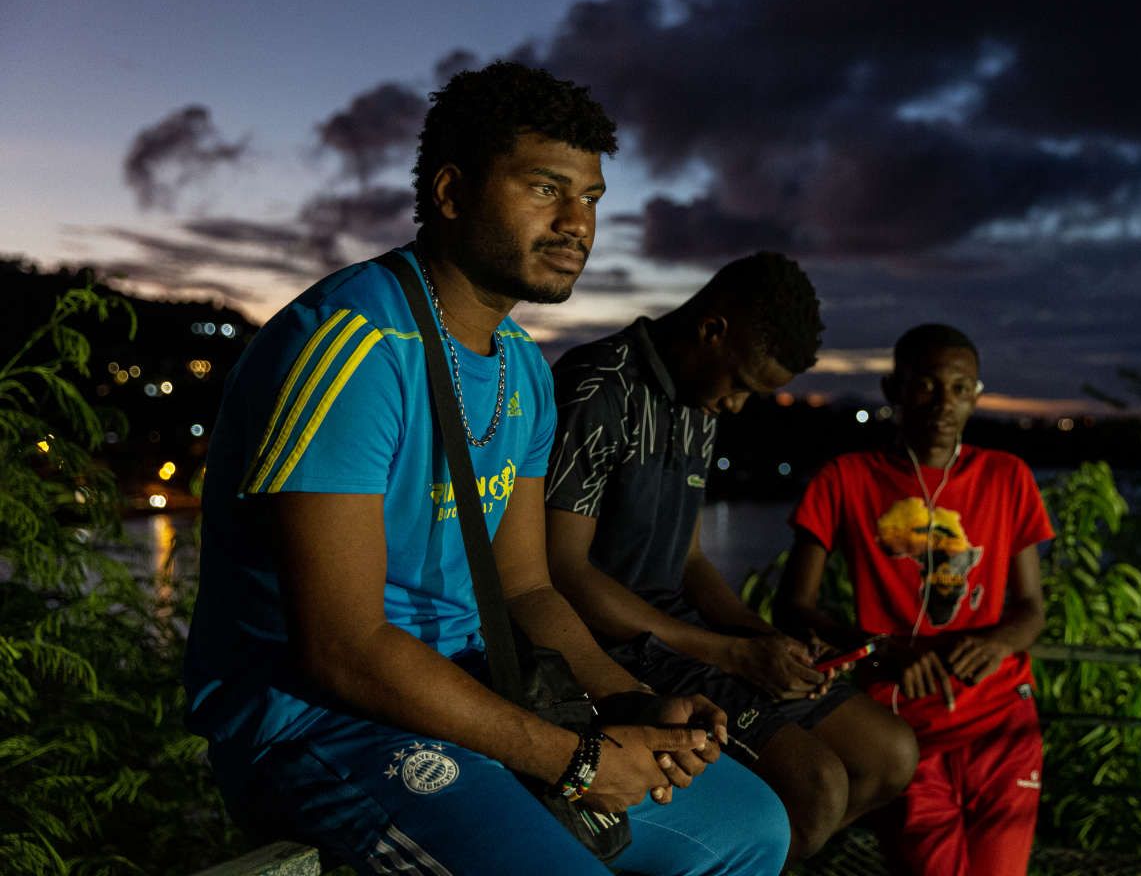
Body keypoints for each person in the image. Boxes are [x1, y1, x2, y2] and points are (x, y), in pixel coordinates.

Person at [183, 61, 789, 876]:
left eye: (593, 199)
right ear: (452, 192)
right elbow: (344, 646)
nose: (579, 222)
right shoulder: (353, 346)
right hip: (325, 727)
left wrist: (625, 700)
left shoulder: (522, 368)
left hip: (481, 690)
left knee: (752, 824)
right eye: (545, 188)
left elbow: (527, 590)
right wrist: (576, 760)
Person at [544, 254, 919, 863]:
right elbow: (563, 570)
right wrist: (732, 653)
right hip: (611, 640)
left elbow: (689, 561)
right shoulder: (597, 386)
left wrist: (764, 639)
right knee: (817, 785)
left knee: (890, 754)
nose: (739, 406)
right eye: (742, 384)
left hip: (685, 634)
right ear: (712, 330)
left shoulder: (700, 401)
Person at [780, 323, 1051, 876]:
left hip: (1003, 727)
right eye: (926, 385)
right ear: (893, 390)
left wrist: (997, 641)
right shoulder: (845, 479)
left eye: (961, 387)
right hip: (903, 731)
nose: (944, 403)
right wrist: (880, 650)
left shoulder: (1007, 476)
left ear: (976, 395)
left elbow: (1031, 610)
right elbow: (793, 606)